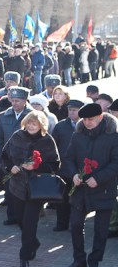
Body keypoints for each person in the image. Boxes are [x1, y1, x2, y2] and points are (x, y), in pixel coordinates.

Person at [62, 103, 118, 267]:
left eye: (91, 119)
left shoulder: (113, 136)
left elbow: (116, 163)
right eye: (84, 119)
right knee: (76, 225)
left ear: (100, 117)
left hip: (104, 189)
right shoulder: (78, 135)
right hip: (81, 190)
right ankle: (79, 260)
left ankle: (94, 263)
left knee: (101, 231)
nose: (87, 122)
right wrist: (73, 175)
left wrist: (99, 178)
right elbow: (68, 159)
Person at [1, 110, 60, 267]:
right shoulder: (17, 136)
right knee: (20, 219)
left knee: (29, 222)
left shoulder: (47, 140)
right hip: (17, 186)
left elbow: (55, 164)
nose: (31, 126)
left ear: (41, 125)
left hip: (36, 188)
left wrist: (37, 166)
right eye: (28, 123)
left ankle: (24, 257)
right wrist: (9, 167)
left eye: (34, 124)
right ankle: (33, 242)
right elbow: (4, 156)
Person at [0, 86, 31, 226]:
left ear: (25, 100)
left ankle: (25, 216)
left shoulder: (32, 115)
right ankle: (12, 216)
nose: (15, 103)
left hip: (25, 158)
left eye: (18, 100)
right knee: (9, 188)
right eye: (13, 100)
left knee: (24, 189)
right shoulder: (4, 115)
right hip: (8, 158)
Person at [51, 99, 82, 233]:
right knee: (62, 199)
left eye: (74, 110)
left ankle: (76, 224)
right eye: (70, 109)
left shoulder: (85, 125)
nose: (71, 112)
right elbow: (53, 145)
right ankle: (61, 223)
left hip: (80, 170)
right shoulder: (61, 126)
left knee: (77, 199)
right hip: (63, 169)